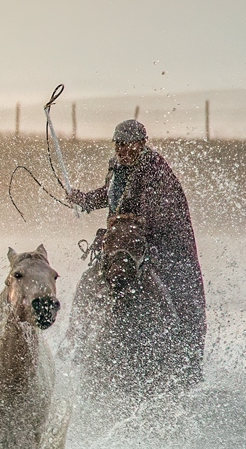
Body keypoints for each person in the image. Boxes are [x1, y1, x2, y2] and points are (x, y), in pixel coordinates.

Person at [67, 118, 207, 383]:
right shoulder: (118, 167)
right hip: (123, 242)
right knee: (89, 280)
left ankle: (181, 350)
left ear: (141, 144)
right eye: (118, 145)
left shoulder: (156, 171)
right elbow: (110, 197)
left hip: (162, 245)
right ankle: (75, 339)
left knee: (177, 289)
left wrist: (119, 230)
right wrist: (83, 200)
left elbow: (153, 212)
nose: (123, 150)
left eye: (128, 145)